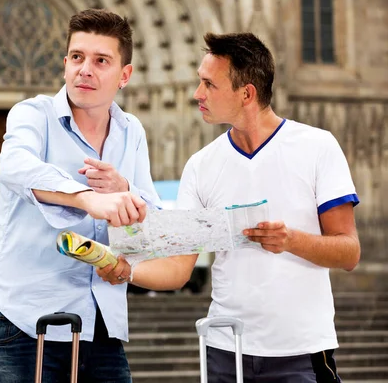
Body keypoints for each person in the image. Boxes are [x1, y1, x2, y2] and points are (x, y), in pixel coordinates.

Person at [98, 32, 360, 382]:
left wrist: (291, 240)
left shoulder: (317, 147)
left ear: (247, 93)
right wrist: (126, 270)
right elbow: (179, 268)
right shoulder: (201, 165)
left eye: (209, 84)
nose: (197, 94)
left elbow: (349, 252)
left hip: (300, 353)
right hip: (225, 349)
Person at [0, 8, 160, 383]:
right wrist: (86, 198)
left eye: (101, 60)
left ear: (124, 75)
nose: (85, 69)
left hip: (100, 325)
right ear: (65, 64)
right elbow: (14, 165)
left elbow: (154, 215)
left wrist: (125, 191)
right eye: (77, 57)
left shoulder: (132, 132)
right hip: (25, 323)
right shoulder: (33, 115)